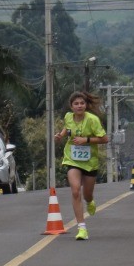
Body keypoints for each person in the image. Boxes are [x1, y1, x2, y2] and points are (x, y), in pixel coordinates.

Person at [55, 91, 106, 240]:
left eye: (82, 103)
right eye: (76, 104)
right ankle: (82, 228)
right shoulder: (68, 117)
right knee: (76, 190)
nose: (79, 106)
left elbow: (104, 139)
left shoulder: (93, 120)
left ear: (86, 105)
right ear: (71, 106)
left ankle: (90, 201)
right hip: (73, 159)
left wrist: (86, 140)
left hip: (90, 162)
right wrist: (61, 135)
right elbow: (67, 128)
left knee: (87, 194)